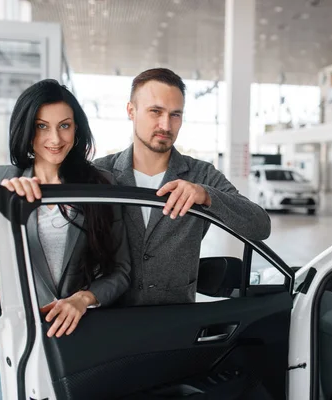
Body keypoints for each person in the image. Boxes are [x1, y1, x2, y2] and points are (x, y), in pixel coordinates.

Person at [0, 79, 132, 399]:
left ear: (76, 130)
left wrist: (84, 298)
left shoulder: (100, 185)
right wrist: (7, 213)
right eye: (42, 126)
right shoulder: (1, 180)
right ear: (27, 129)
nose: (54, 139)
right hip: (23, 344)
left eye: (64, 126)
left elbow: (121, 271)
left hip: (81, 341)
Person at [93, 67, 271, 306]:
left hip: (176, 323)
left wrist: (207, 195)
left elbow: (260, 225)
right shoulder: (100, 173)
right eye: (155, 111)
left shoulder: (201, 174)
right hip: (109, 321)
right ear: (131, 111)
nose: (166, 125)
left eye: (175, 114)